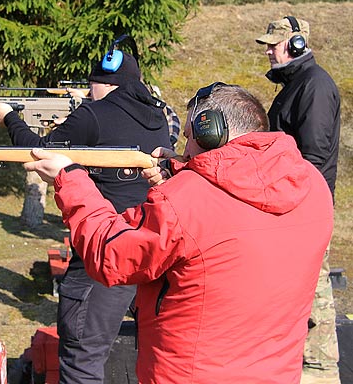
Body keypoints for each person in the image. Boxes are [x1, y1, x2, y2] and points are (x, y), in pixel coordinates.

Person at [24, 83, 334, 384]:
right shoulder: (313, 186)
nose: (184, 148)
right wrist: (185, 174)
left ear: (210, 133)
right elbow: (228, 218)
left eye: (189, 136)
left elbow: (111, 255)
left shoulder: (184, 202)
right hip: (278, 372)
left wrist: (70, 180)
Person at [0, 50, 171, 383]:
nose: (88, 90)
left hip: (104, 252)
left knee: (80, 359)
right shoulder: (157, 113)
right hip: (149, 246)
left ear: (102, 83)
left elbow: (38, 150)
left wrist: (10, 118)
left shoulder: (93, 115)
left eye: (91, 84)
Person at [256, 16, 341, 384]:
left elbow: (313, 158)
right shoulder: (296, 85)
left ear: (297, 46)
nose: (268, 51)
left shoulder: (314, 87)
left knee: (314, 306)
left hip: (304, 213)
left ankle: (320, 375)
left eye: (275, 44)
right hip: (293, 211)